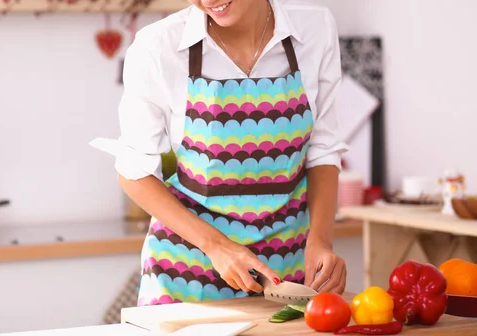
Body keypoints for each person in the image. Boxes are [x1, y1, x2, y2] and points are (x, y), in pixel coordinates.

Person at [90, 0, 349, 306]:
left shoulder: (315, 29)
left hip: (285, 273)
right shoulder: (158, 46)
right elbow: (134, 172)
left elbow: (322, 151)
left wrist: (320, 242)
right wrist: (216, 246)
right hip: (187, 271)